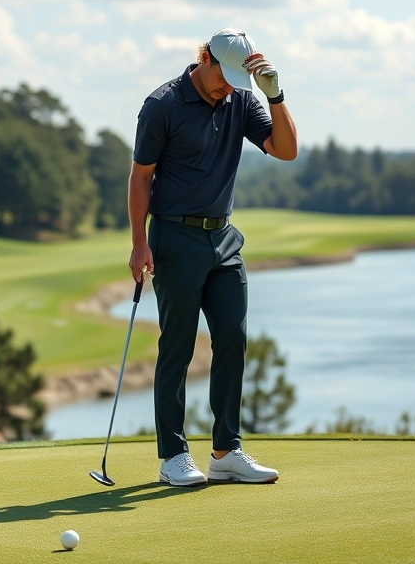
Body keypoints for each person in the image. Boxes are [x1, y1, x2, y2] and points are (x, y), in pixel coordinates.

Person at [127, 28, 298, 486]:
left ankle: (225, 452)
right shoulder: (162, 105)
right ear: (206, 59)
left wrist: (275, 95)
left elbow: (286, 150)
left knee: (232, 339)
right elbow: (141, 177)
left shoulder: (240, 100)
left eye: (237, 82)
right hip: (174, 237)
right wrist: (139, 242)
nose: (227, 88)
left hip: (223, 239)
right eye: (224, 77)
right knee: (178, 346)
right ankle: (173, 456)